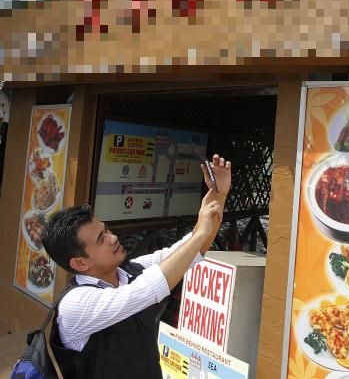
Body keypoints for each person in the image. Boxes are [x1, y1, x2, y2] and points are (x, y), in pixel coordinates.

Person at [41, 154, 231, 379]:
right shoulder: (75, 305)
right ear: (80, 263)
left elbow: (189, 251)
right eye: (101, 239)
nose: (112, 238)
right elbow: (145, 290)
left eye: (107, 230)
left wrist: (219, 194)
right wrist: (200, 232)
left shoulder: (130, 271)